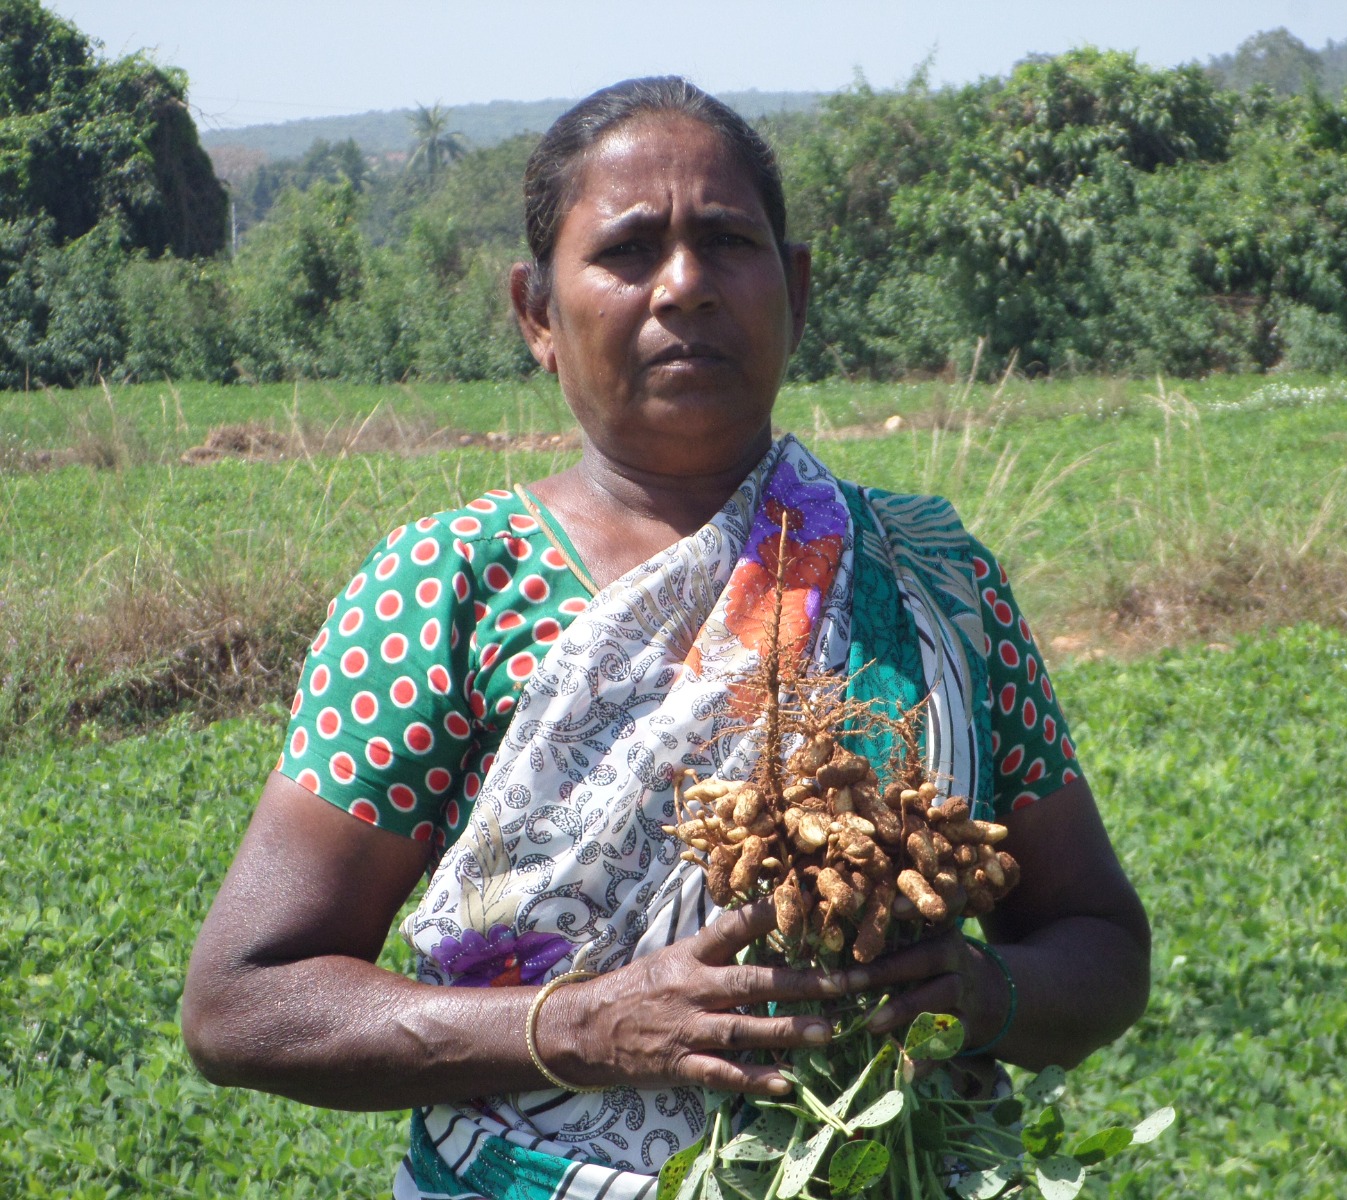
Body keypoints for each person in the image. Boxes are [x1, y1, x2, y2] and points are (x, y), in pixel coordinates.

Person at [182, 77, 1149, 1200]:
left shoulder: (934, 576)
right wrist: (578, 1025)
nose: (683, 285)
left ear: (793, 289)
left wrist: (988, 998)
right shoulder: (452, 586)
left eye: (727, 242)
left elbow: (1100, 946)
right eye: (629, 250)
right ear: (536, 313)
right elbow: (242, 1002)